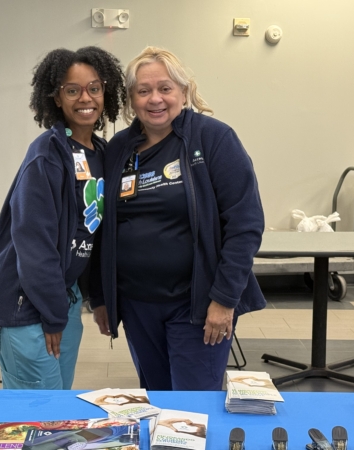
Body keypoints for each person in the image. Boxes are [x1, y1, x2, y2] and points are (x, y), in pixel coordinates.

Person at [90, 46, 265, 391]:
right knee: (156, 399)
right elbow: (101, 228)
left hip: (197, 304)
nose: (155, 99)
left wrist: (224, 300)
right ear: (131, 99)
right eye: (144, 90)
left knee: (193, 405)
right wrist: (101, 297)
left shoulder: (213, 139)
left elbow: (245, 224)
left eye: (165, 88)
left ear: (183, 92)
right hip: (136, 304)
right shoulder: (118, 149)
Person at [0, 46, 125, 389]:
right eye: (72, 90)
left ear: (105, 93)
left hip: (62, 298)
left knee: (58, 405)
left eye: (94, 88)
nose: (85, 98)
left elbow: (95, 237)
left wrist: (98, 298)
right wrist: (52, 314)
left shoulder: (102, 154)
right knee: (37, 411)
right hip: (23, 304)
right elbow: (35, 244)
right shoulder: (47, 154)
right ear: (57, 98)